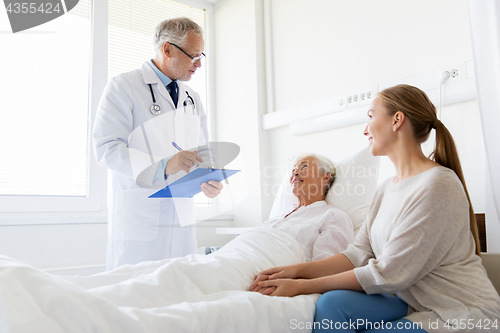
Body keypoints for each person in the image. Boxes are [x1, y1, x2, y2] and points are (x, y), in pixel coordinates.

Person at [251, 84, 500, 332]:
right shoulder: (385, 190)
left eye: (371, 117)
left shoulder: (438, 184)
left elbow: (388, 273)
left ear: (397, 120)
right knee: (332, 304)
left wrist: (302, 286)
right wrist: (295, 272)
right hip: (413, 302)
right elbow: (358, 253)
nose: (365, 129)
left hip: (459, 313)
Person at [93, 17, 222, 270]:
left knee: (177, 288)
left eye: (201, 56)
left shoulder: (191, 98)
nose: (198, 64)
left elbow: (202, 149)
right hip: (140, 215)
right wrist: (163, 166)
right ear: (167, 49)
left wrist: (210, 177)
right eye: (193, 55)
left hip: (181, 215)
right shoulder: (124, 86)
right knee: (134, 292)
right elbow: (106, 147)